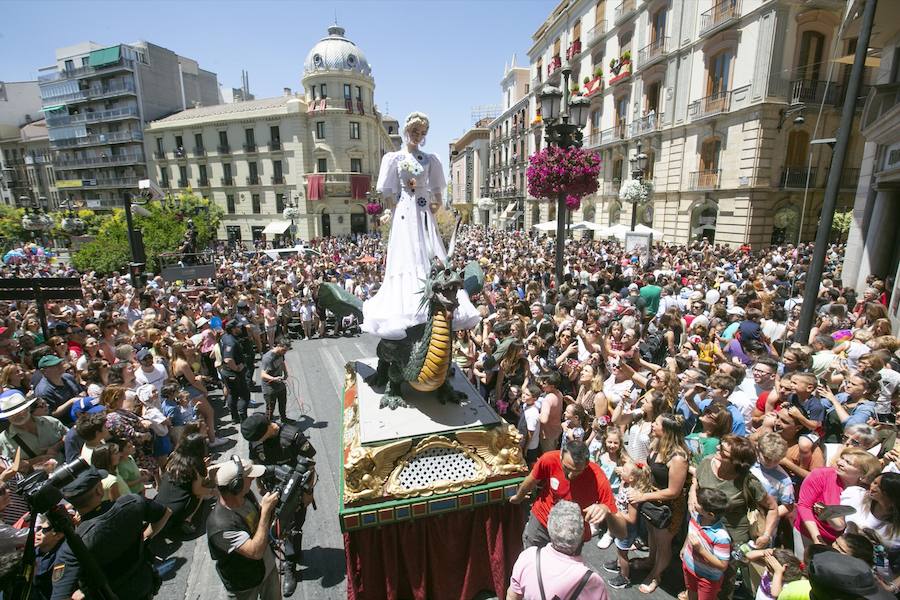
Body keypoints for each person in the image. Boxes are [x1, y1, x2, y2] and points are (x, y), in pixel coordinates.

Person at [361, 112, 480, 340]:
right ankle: (406, 304)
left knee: (427, 248)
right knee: (406, 252)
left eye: (422, 133)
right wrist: (388, 211)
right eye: (415, 131)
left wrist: (435, 204)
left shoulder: (430, 159)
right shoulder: (393, 159)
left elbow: (437, 190)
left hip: (423, 210)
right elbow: (389, 192)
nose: (418, 136)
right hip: (405, 209)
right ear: (407, 130)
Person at [49, 466, 172, 600]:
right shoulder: (132, 503)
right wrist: (145, 536)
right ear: (99, 490)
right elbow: (165, 513)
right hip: (144, 583)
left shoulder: (72, 547)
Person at [241, 414, 316, 597]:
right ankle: (285, 555)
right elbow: (255, 461)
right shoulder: (256, 439)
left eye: (257, 438)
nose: (255, 442)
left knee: (293, 528)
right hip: (270, 491)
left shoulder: (293, 436)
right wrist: (259, 484)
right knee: (273, 528)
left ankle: (290, 564)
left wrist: (308, 493)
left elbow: (310, 465)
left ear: (267, 429)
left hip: (293, 493)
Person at [509, 439, 623, 549]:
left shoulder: (599, 479)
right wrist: (519, 496)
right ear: (560, 457)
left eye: (577, 471)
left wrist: (607, 511)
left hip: (570, 534)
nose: (570, 475)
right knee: (533, 559)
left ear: (587, 464)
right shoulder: (549, 459)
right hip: (542, 522)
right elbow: (532, 479)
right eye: (567, 468)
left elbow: (622, 532)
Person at [206, 456, 281, 600]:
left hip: (267, 568)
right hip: (244, 584)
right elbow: (255, 551)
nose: (253, 480)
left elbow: (258, 521)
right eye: (249, 477)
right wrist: (266, 512)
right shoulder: (220, 526)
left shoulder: (245, 496)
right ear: (236, 486)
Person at [507, 500, 609, 600]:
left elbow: (512, 596)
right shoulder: (592, 582)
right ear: (582, 533)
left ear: (549, 528)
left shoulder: (528, 558)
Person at [681, 487, 731, 600]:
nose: (695, 502)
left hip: (707, 578)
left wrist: (700, 550)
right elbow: (691, 533)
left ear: (710, 514)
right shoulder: (695, 516)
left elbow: (722, 565)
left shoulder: (721, 536)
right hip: (690, 567)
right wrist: (685, 548)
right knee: (691, 593)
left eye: (698, 503)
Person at [220, 319, 252, 423]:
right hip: (233, 373)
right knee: (244, 395)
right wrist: (236, 368)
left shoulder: (225, 337)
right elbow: (228, 359)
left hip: (227, 371)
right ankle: (243, 416)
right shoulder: (231, 341)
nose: (240, 328)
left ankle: (234, 417)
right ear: (233, 329)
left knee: (232, 394)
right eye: (238, 327)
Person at [259, 338, 289, 421]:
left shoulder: (281, 353)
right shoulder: (268, 357)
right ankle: (268, 426)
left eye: (286, 351)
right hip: (269, 387)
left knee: (283, 402)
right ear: (278, 346)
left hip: (279, 383)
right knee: (270, 408)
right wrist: (274, 378)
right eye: (283, 350)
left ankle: (283, 418)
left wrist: (285, 373)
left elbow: (282, 362)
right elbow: (263, 375)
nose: (284, 352)